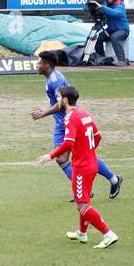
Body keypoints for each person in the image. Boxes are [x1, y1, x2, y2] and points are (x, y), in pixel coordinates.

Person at [36, 85, 120, 248]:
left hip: (81, 167)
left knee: (82, 204)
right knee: (83, 201)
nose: (58, 100)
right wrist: (88, 151)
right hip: (91, 163)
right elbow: (98, 136)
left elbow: (68, 142)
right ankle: (82, 233)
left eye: (59, 98)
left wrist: (50, 156)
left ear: (65, 100)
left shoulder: (70, 118)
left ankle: (108, 233)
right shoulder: (84, 114)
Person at [32, 51, 123, 197]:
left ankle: (110, 181)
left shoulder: (55, 80)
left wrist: (43, 113)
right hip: (62, 123)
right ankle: (92, 187)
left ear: (47, 64)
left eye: (39, 63)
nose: (37, 65)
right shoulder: (52, 78)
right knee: (64, 158)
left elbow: (61, 103)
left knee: (73, 157)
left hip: (70, 122)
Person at [91, 0, 131, 65]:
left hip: (123, 30)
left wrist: (102, 7)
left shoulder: (120, 5)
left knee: (114, 37)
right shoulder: (106, 6)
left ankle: (122, 60)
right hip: (111, 30)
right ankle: (101, 58)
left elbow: (115, 13)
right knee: (98, 38)